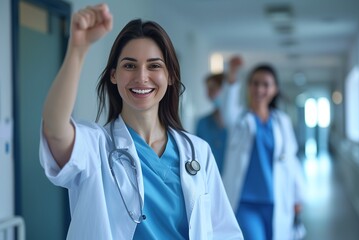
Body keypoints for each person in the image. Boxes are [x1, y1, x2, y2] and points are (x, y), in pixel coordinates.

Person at [39, 3, 243, 240]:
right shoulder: (96, 147)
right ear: (114, 75)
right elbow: (55, 130)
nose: (142, 77)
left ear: (170, 76)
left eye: (154, 66)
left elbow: (223, 231)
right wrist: (77, 49)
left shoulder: (197, 152)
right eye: (129, 65)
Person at [220, 56, 306, 240]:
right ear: (249, 87)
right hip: (245, 201)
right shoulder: (240, 119)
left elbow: (292, 160)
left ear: (275, 89)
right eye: (255, 83)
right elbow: (227, 111)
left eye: (266, 84)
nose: (260, 89)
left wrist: (298, 197)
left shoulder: (282, 121)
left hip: (277, 199)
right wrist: (232, 74)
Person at [195, 73, 227, 173]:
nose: (209, 93)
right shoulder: (203, 123)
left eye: (213, 89)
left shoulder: (238, 124)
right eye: (208, 89)